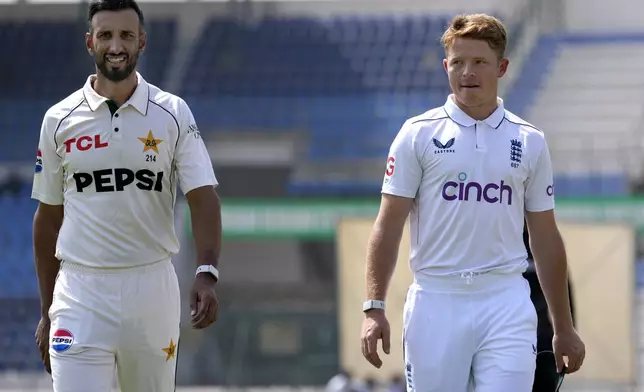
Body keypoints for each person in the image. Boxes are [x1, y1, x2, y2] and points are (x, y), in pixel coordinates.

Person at [359, 13, 585, 392]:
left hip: (506, 302)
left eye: (479, 62)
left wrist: (563, 327)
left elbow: (545, 238)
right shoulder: (417, 135)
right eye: (458, 62)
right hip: (436, 301)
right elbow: (388, 224)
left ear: (502, 67)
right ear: (446, 66)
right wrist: (374, 307)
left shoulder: (529, 140)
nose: (467, 72)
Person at [31, 0, 222, 391]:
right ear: (89, 42)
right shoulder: (59, 120)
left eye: (126, 36)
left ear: (142, 42)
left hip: (151, 288)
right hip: (79, 292)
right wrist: (47, 310)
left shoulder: (173, 113)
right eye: (105, 35)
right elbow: (48, 219)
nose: (115, 45)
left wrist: (206, 271)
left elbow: (203, 197)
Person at [522, 222, 575, 391]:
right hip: (507, 333)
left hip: (542, 340)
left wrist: (568, 331)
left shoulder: (543, 245)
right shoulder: (504, 245)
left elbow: (565, 291)